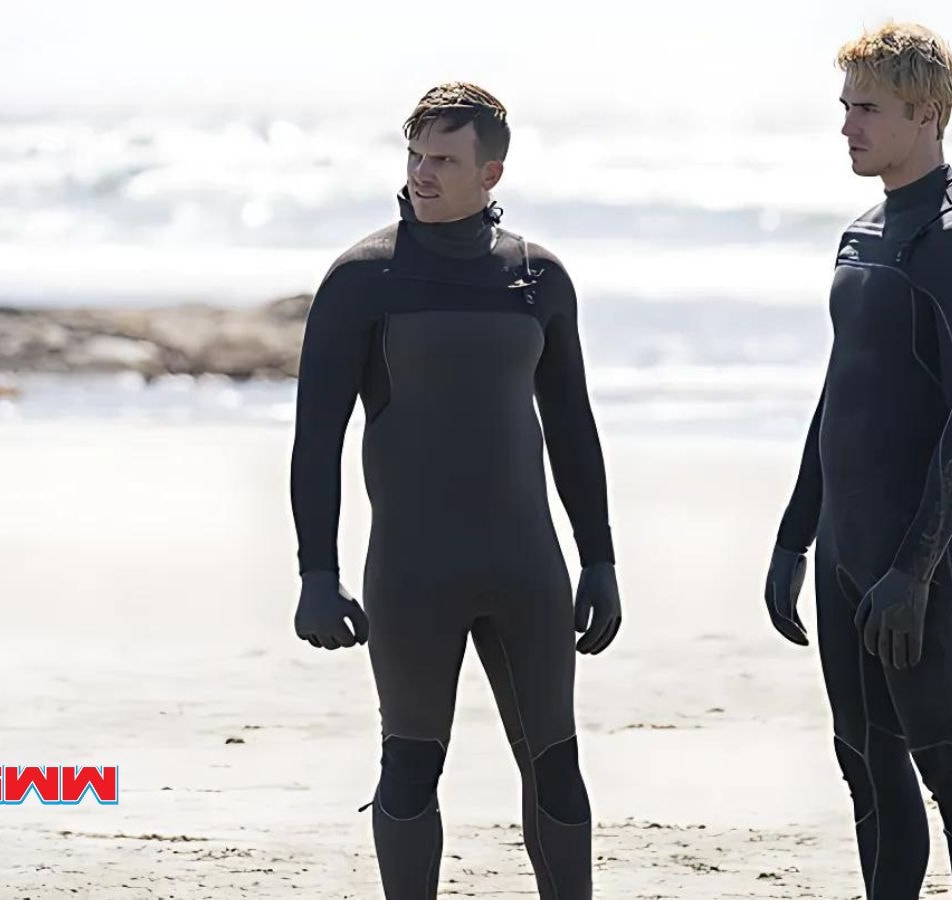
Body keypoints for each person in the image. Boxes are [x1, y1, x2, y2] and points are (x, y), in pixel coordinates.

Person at [288, 82, 621, 900]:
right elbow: (315, 438)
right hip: (412, 570)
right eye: (415, 155)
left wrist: (601, 561)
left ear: (491, 171)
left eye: (443, 158)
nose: (422, 173)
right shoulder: (362, 279)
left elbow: (573, 429)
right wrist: (315, 575)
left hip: (527, 568)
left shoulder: (540, 278)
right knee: (408, 763)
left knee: (556, 761)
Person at [762, 22, 952, 900]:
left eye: (866, 109)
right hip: (845, 542)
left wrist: (915, 567)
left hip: (924, 550)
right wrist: (796, 536)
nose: (846, 127)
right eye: (844, 108)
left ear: (927, 112)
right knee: (865, 763)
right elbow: (841, 393)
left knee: (950, 761)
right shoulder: (863, 231)